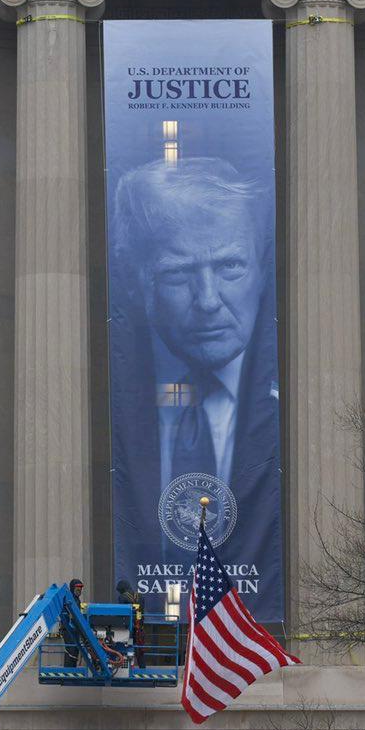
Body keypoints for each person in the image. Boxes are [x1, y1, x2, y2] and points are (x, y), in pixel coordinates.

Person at [108, 158, 283, 616]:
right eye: (178, 274)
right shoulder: (123, 395)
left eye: (229, 267)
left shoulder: (280, 394)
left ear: (262, 270)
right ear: (138, 286)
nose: (208, 301)